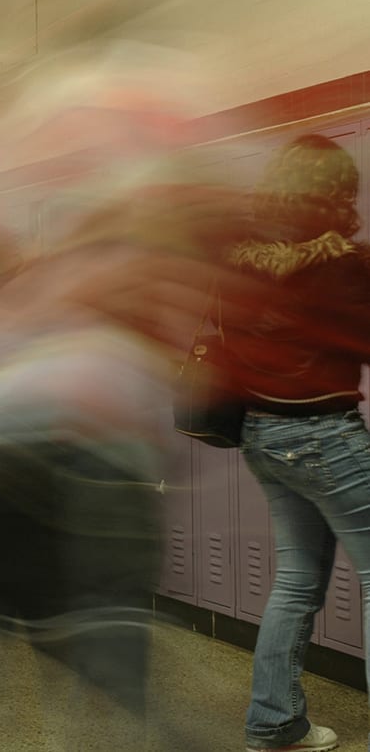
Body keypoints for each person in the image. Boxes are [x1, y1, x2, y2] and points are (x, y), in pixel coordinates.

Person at [224, 134, 370, 752]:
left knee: (296, 580)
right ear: (339, 193)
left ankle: (275, 724)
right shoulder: (348, 264)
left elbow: (224, 339)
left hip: (262, 432)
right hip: (326, 436)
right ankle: (274, 722)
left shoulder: (237, 261)